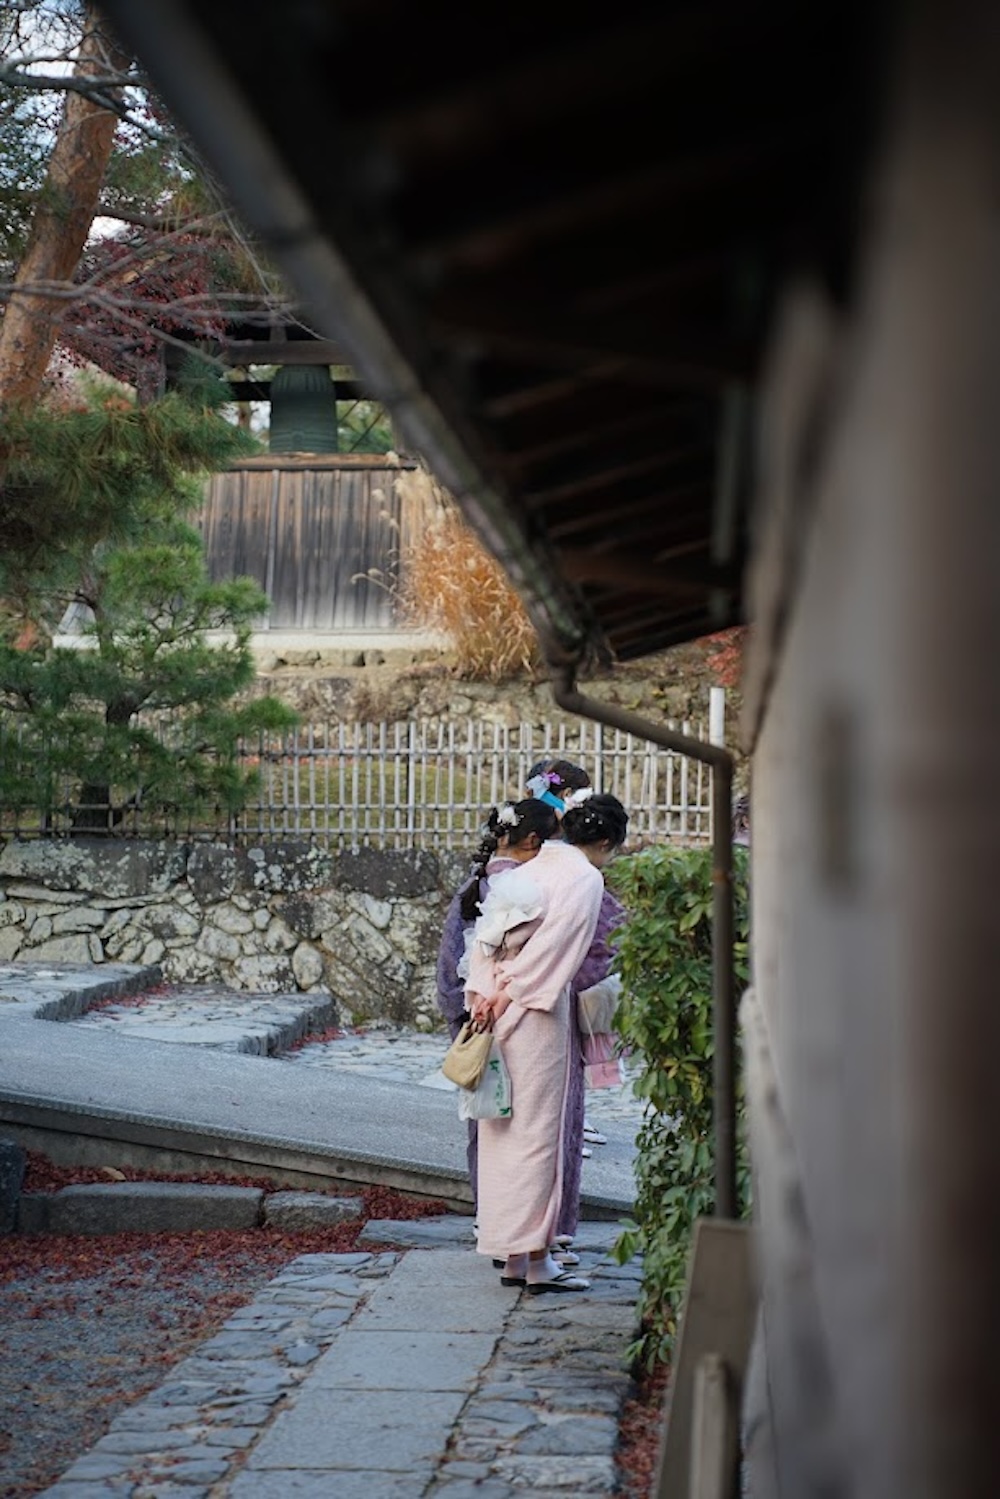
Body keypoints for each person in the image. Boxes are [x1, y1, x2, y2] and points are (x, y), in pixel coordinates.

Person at [466, 793, 629, 1293]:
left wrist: (486, 994)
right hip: (534, 1012)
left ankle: (511, 1253)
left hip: (494, 1001)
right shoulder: (583, 876)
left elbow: (487, 937)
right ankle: (537, 1260)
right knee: (538, 1135)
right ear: (605, 842)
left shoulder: (533, 866)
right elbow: (558, 948)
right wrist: (514, 993)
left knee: (503, 1132)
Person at [435, 798, 559, 1208]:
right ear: (535, 841)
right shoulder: (533, 888)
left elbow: (449, 960)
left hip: (473, 1011)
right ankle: (513, 1218)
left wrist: (460, 1011)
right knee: (522, 1126)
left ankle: (485, 1210)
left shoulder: (474, 884)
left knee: (483, 1115)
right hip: (514, 1010)